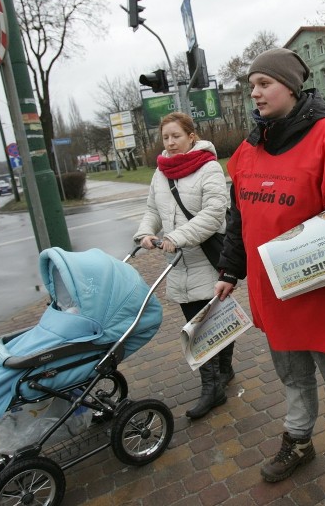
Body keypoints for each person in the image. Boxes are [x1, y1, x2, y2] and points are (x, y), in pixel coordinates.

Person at [214, 48, 325, 506]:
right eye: (251, 86)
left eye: (264, 83)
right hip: (272, 291)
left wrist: (303, 255)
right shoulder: (247, 151)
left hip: (321, 288)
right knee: (292, 377)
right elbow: (238, 220)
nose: (256, 92)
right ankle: (299, 440)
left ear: (290, 86)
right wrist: (230, 270)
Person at [133, 111, 232, 420]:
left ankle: (212, 389)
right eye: (165, 137)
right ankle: (224, 371)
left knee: (201, 327)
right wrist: (146, 232)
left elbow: (215, 213)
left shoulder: (209, 168)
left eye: (176, 135)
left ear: (192, 136)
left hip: (207, 258)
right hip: (177, 264)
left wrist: (177, 236)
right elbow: (153, 209)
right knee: (209, 322)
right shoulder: (161, 173)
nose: (171, 142)